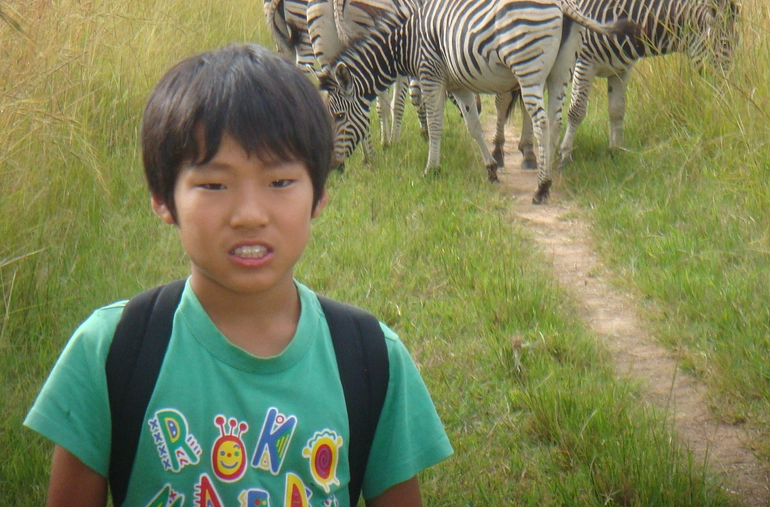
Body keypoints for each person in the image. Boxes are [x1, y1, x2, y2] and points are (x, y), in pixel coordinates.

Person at [24, 44, 453, 507]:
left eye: (280, 181)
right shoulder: (110, 350)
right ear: (163, 199)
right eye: (214, 184)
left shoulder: (372, 359)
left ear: (320, 194)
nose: (249, 215)